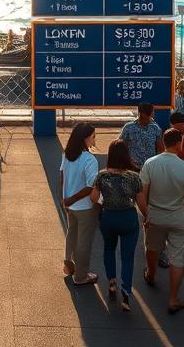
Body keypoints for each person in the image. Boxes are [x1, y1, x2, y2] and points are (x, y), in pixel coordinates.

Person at [140, 128, 184, 315]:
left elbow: (143, 192)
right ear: (178, 144)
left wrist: (146, 214)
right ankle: (173, 299)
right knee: (177, 258)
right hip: (180, 218)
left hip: (155, 216)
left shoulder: (150, 163)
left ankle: (151, 274)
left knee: (152, 247)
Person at [90, 139, 145, 311]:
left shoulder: (102, 175)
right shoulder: (134, 177)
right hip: (128, 218)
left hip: (109, 217)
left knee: (109, 249)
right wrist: (147, 217)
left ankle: (111, 282)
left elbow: (93, 198)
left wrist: (104, 202)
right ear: (126, 156)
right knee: (127, 257)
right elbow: (141, 203)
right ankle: (126, 293)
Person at [60, 122, 99, 285]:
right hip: (84, 207)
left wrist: (64, 199)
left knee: (71, 235)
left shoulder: (67, 155)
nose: (94, 140)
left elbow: (61, 177)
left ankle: (69, 265)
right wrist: (71, 199)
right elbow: (90, 187)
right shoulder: (90, 160)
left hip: (70, 206)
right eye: (93, 136)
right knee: (84, 242)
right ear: (85, 139)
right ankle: (81, 276)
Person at [119, 103, 165, 169]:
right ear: (143, 114)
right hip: (133, 167)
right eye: (152, 112)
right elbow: (121, 146)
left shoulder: (155, 128)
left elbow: (160, 148)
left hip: (150, 167)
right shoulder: (129, 128)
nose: (153, 114)